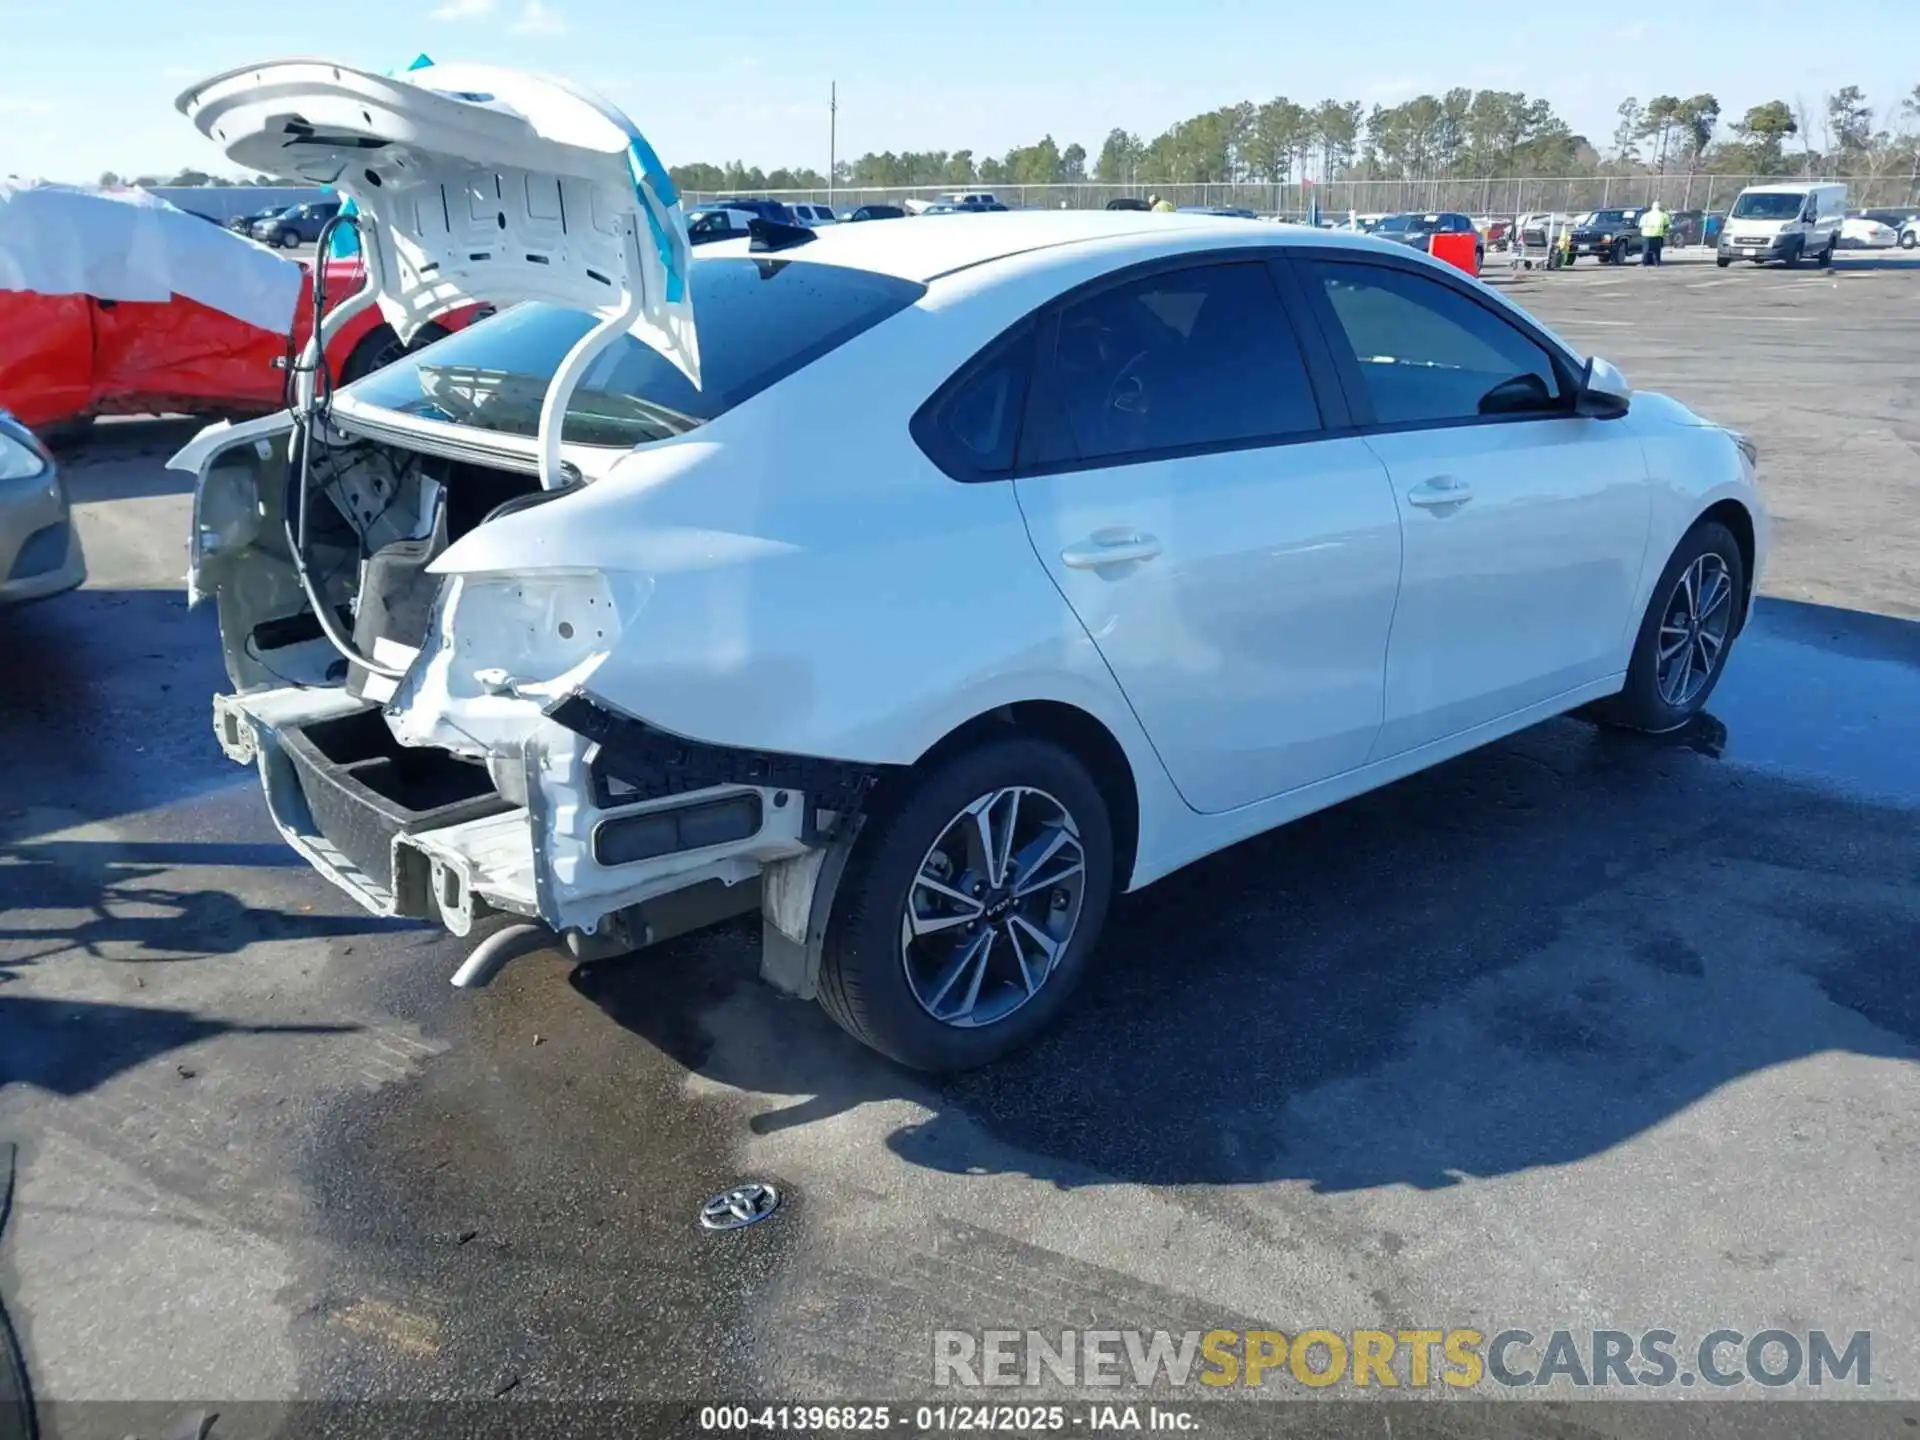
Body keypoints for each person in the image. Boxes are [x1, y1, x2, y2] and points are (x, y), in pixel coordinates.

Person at [1640, 201, 1670, 266]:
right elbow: (1666, 225)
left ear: (1652, 207)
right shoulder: (1664, 215)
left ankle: (1644, 262)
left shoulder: (1646, 215)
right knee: (1656, 250)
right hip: (1657, 234)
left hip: (1646, 234)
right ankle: (1657, 263)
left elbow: (1641, 225)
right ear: (1659, 207)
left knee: (1646, 250)